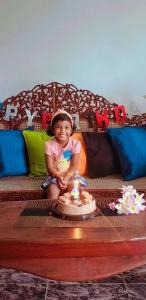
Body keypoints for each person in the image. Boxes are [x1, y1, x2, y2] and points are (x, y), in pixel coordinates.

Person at [43, 109, 81, 200]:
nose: (62, 131)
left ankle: (72, 212)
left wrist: (67, 178)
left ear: (72, 129)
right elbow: (50, 168)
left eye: (67, 127)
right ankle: (54, 211)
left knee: (75, 191)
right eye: (58, 127)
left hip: (71, 175)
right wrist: (59, 177)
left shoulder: (76, 144)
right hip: (54, 176)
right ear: (52, 129)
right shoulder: (48, 145)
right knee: (52, 191)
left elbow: (74, 166)